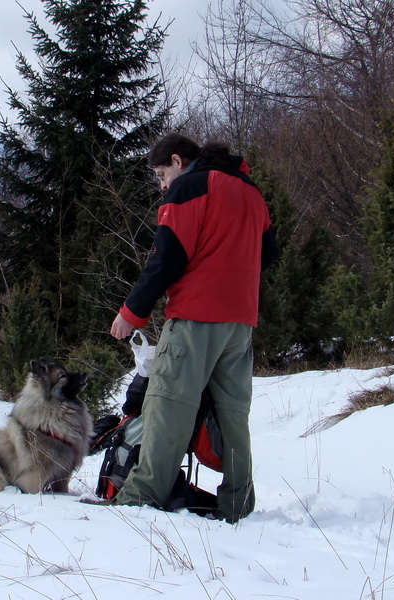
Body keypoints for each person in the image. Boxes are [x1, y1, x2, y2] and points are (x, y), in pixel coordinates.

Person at [108, 133, 276, 523]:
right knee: (233, 414)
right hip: (240, 322)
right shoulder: (251, 192)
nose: (163, 185)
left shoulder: (190, 188)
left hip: (196, 317)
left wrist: (132, 312)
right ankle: (237, 503)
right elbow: (267, 255)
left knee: (169, 404)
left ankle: (139, 498)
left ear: (178, 161)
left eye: (162, 174)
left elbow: (167, 257)